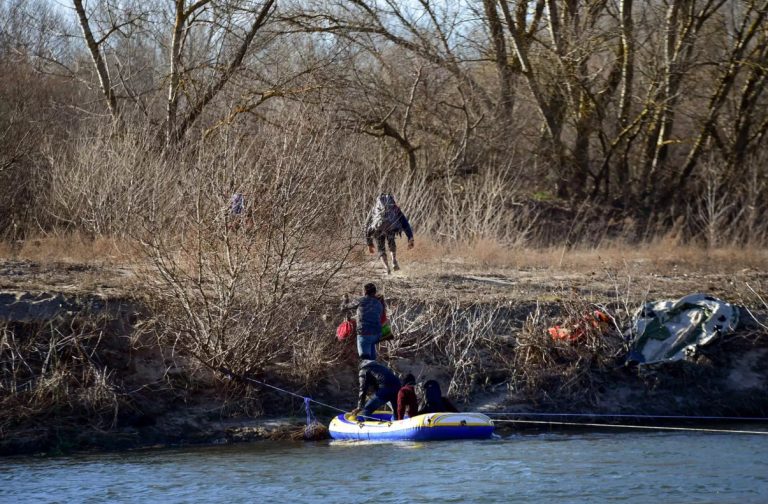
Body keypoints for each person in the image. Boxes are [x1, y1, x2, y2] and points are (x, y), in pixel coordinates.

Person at [365, 193, 414, 274]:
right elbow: (405, 223)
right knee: (391, 242)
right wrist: (410, 237)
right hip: (391, 228)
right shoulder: (395, 209)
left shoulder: (375, 209)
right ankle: (394, 260)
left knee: (381, 249)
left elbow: (367, 226)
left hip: (378, 230)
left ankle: (387, 268)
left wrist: (369, 243)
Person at [340, 282, 384, 359]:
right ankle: (374, 366)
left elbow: (344, 308)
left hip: (364, 333)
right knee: (371, 356)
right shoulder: (379, 303)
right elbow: (374, 316)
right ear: (375, 292)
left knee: (365, 361)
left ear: (365, 292)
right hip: (377, 334)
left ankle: (372, 368)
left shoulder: (361, 300)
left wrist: (345, 299)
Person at [353, 355, 402, 420]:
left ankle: (369, 428)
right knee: (396, 413)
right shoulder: (379, 366)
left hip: (385, 390)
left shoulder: (363, 370)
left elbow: (363, 389)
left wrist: (359, 407)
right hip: (398, 388)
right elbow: (382, 380)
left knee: (365, 410)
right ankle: (395, 427)